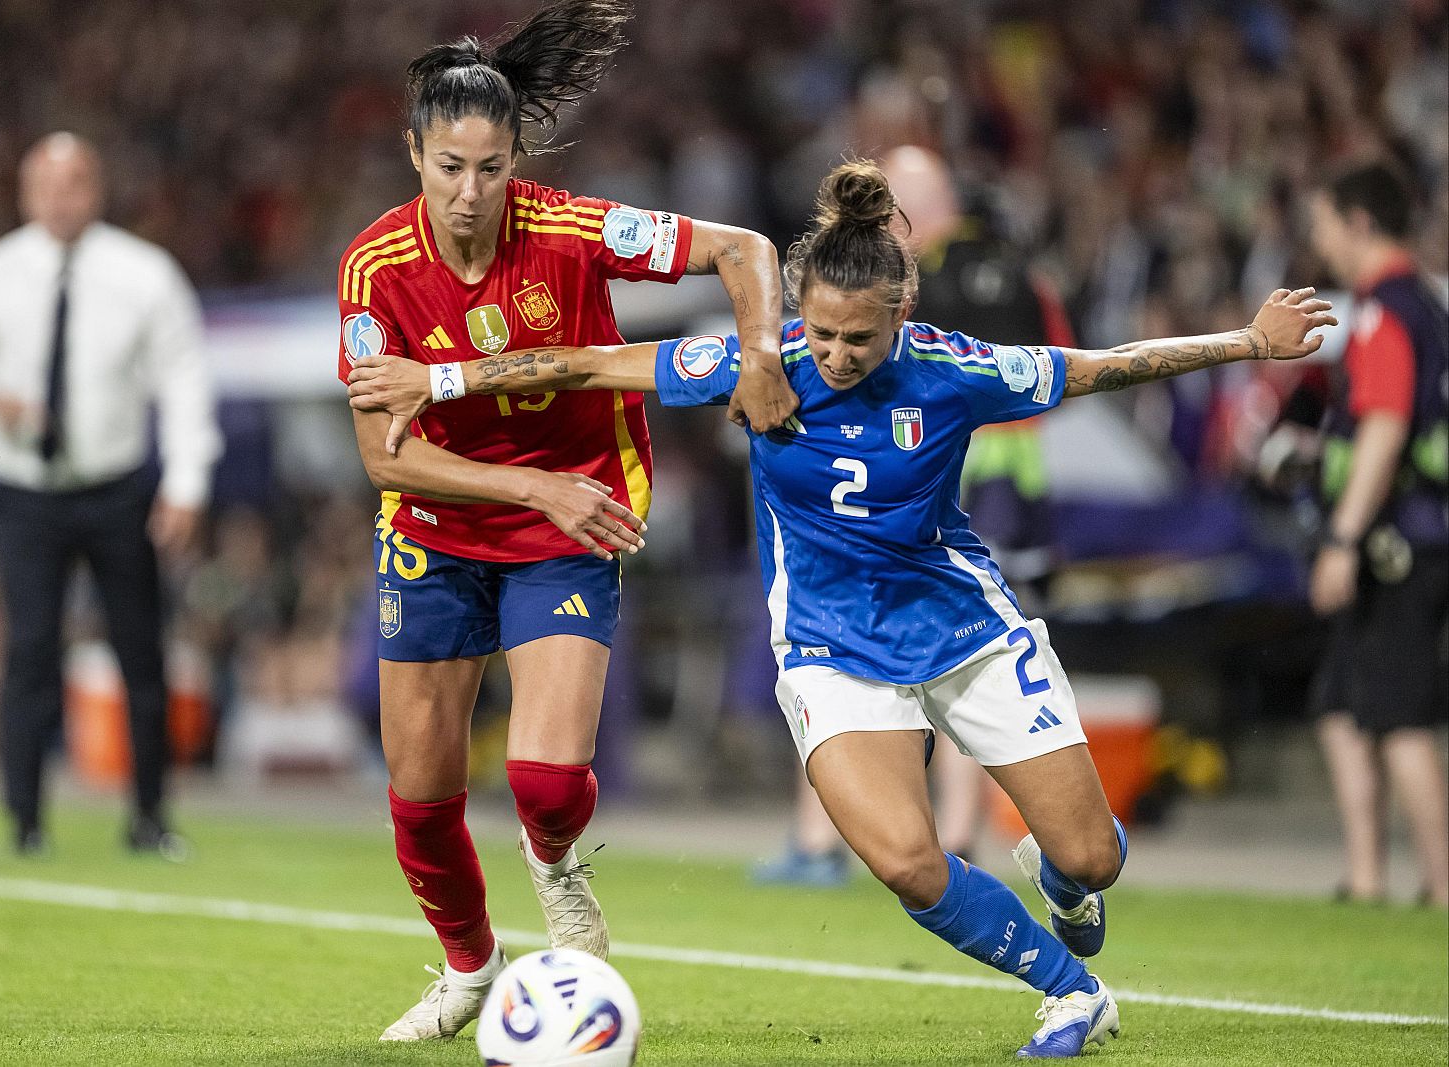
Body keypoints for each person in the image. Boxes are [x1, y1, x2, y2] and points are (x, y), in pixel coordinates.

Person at [348, 160, 1336, 1057]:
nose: (832, 353)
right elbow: (578, 362)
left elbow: (1101, 365)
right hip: (829, 646)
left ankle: (1066, 879)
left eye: (857, 337)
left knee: (1089, 855)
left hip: (962, 628)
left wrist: (1247, 341)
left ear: (901, 315)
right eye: (817, 331)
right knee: (908, 860)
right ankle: (1071, 992)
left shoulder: (954, 372)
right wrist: (435, 377)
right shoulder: (757, 360)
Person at [337, 0, 793, 1043]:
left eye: (491, 167)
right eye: (448, 165)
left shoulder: (574, 229)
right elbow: (381, 454)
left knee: (543, 779)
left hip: (570, 518)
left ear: (517, 157)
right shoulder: (373, 271)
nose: (469, 192)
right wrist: (531, 488)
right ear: (413, 152)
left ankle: (554, 865)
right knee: (420, 797)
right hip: (442, 527)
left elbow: (746, 247)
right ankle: (467, 966)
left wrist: (761, 350)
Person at [753, 146, 1080, 886]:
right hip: (1000, 483)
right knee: (911, 652)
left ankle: (852, 837)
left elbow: (1035, 366)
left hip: (951, 500)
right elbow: (1053, 348)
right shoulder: (1008, 267)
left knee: (948, 646)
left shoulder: (889, 291)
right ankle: (929, 832)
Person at [0, 132, 221, 857]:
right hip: (25, 487)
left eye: (73, 182)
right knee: (28, 647)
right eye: (45, 183)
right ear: (25, 192)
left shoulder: (144, 275)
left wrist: (186, 481)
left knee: (141, 651)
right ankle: (24, 819)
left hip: (117, 485)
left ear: (96, 188)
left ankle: (149, 816)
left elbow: (184, 380)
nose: (59, 197)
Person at [1301, 161, 1448, 907]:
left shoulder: (1384, 310)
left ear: (1359, 222)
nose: (1319, 241)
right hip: (1410, 530)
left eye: (1325, 223)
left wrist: (1343, 537)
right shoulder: (1422, 302)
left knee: (1399, 716)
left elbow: (1385, 427)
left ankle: (1443, 885)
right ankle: (1367, 879)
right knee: (1341, 704)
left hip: (1394, 540)